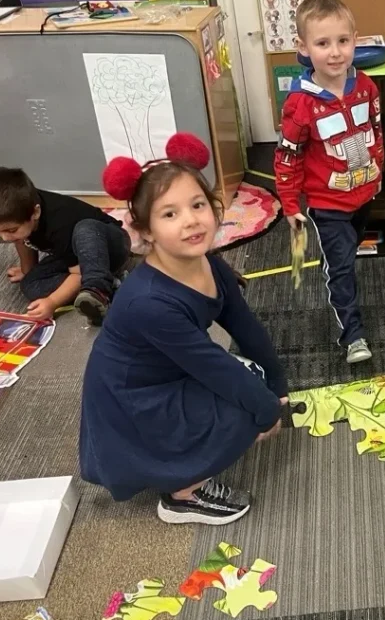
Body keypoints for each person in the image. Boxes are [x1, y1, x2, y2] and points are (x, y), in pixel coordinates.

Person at [79, 133, 288, 525]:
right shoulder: (150, 302)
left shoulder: (209, 263)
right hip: (131, 399)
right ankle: (181, 494)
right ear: (146, 231)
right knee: (244, 404)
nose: (191, 220)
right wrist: (264, 411)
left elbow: (245, 325)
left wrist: (277, 389)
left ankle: (191, 456)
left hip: (168, 373)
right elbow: (215, 367)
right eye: (169, 214)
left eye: (197, 205)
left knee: (254, 381)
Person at [274, 0, 384, 364]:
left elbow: (377, 132)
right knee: (340, 266)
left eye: (343, 41)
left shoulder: (366, 87)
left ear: (356, 38)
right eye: (322, 44)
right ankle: (352, 335)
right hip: (327, 204)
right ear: (304, 48)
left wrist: (378, 172)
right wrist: (290, 204)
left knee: (350, 253)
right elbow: (287, 157)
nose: (335, 52)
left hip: (364, 194)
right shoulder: (300, 104)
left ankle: (344, 285)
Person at [0, 167, 131, 326]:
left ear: (35, 213)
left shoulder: (60, 223)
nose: (5, 238)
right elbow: (22, 240)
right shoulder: (22, 209)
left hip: (110, 244)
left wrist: (52, 301)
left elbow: (78, 274)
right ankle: (106, 280)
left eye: (11, 230)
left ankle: (98, 289)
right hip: (73, 254)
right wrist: (26, 271)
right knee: (30, 284)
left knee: (86, 229)